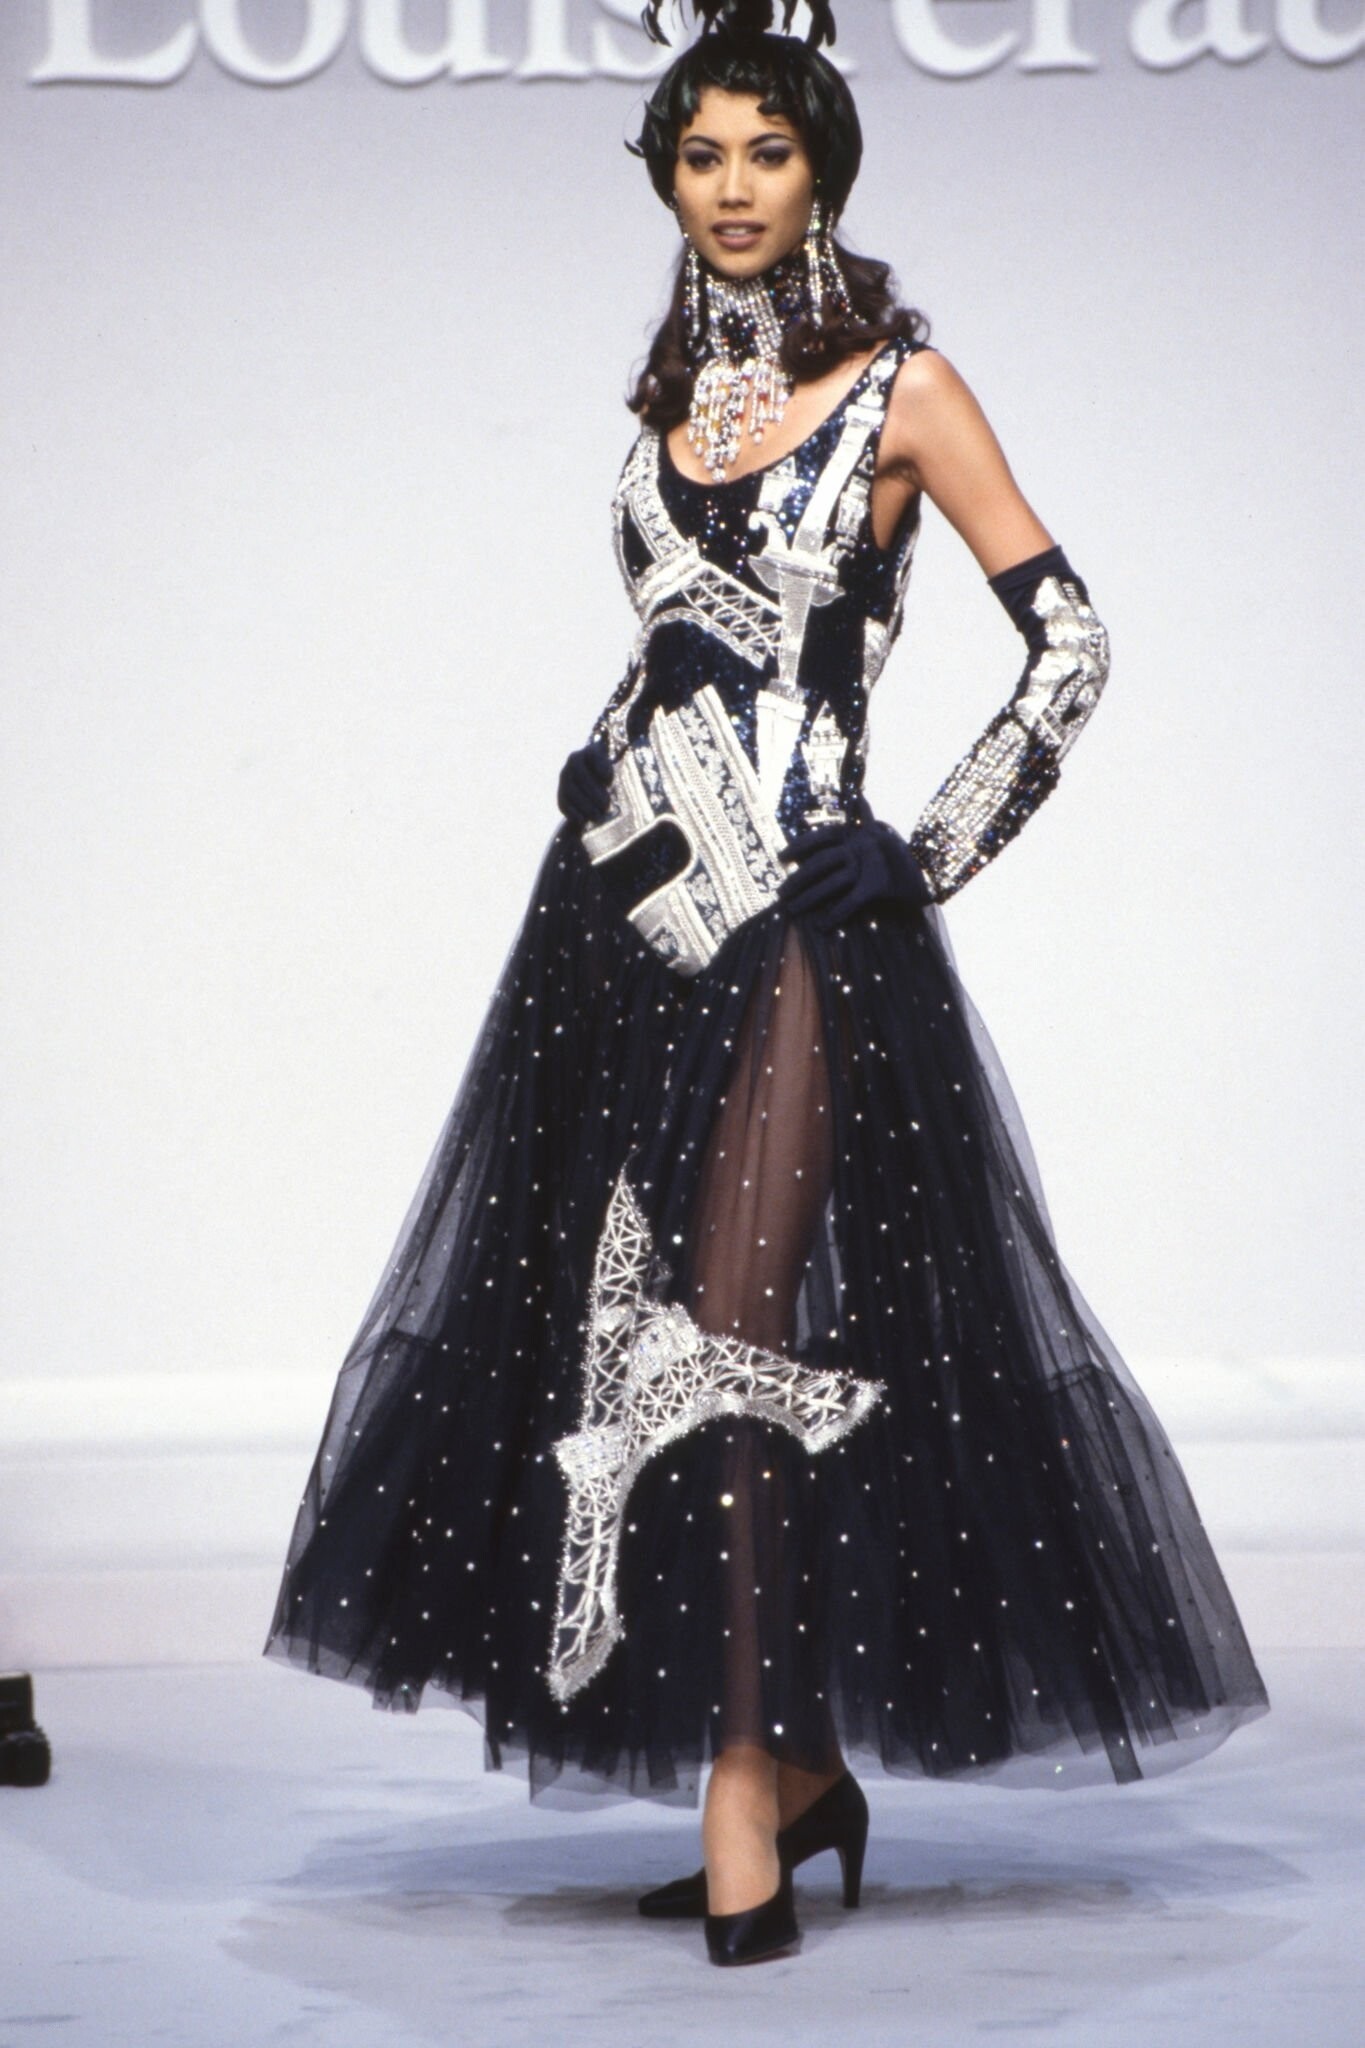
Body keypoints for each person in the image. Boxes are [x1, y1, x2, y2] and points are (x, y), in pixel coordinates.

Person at [265, 0, 1269, 1969]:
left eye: (768, 154)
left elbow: (1068, 644)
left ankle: (743, 1782)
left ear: (824, 172)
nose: (731, 188)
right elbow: (681, 655)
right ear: (665, 178)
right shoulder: (667, 415)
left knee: (731, 1332)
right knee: (616, 1335)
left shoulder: (906, 390)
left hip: (804, 926)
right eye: (700, 156)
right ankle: (795, 1765)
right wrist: (597, 763)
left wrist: (931, 844)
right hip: (621, 924)